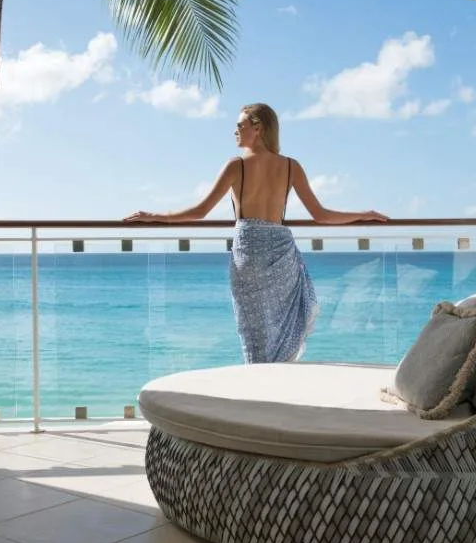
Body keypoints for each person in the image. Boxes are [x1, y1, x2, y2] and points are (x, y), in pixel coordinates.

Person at [125, 103, 388, 363]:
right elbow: (321, 215)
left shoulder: (235, 166)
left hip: (249, 252)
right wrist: (362, 214)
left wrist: (156, 216)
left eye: (240, 125)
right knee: (281, 325)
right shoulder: (290, 167)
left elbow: (201, 210)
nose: (234, 131)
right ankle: (276, 387)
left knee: (253, 330)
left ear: (258, 128)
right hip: (281, 254)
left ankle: (258, 385)